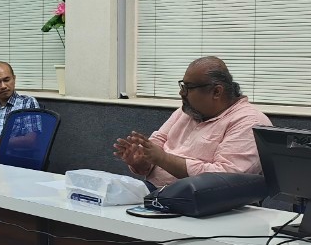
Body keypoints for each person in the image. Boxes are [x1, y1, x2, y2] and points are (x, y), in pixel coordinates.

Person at [113, 56, 272, 188]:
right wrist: (141, 160)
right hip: (157, 193)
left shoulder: (249, 121)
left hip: (206, 205)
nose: (181, 93)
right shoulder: (189, 110)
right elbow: (158, 143)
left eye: (189, 87)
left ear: (216, 91)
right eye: (182, 85)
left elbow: (226, 177)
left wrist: (162, 158)